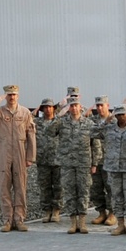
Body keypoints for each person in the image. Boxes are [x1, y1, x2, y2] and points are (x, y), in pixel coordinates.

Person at [0, 85, 37, 232]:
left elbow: (31, 135)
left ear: (18, 95)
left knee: (20, 188)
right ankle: (7, 220)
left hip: (19, 153)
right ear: (5, 96)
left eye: (14, 94)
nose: (12, 97)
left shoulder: (24, 112)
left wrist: (30, 156)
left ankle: (19, 219)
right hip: (3, 152)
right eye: (9, 95)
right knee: (4, 187)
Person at [91, 105, 126, 236]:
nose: (120, 117)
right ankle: (120, 224)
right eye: (118, 115)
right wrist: (106, 121)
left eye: (123, 114)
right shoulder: (109, 129)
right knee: (116, 196)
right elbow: (92, 132)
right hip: (113, 168)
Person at [48, 96, 95, 234]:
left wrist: (95, 163)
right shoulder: (62, 123)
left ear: (81, 107)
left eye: (76, 105)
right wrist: (58, 115)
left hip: (83, 163)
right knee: (69, 192)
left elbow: (96, 144)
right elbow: (49, 132)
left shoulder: (88, 123)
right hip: (67, 163)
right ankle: (73, 222)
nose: (74, 108)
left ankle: (82, 221)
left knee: (83, 192)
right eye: (71, 106)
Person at [88, 96, 116, 227]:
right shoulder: (93, 121)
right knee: (96, 189)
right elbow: (91, 136)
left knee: (111, 187)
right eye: (97, 106)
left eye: (102, 105)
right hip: (96, 160)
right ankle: (101, 212)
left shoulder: (115, 121)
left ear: (107, 105)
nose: (99, 108)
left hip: (110, 160)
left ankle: (112, 213)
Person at [34, 98, 62, 223]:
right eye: (45, 107)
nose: (48, 109)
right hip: (42, 160)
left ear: (54, 109)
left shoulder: (60, 122)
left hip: (57, 160)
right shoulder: (37, 123)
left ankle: (56, 210)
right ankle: (47, 210)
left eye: (50, 107)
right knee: (44, 186)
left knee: (58, 186)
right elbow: (25, 118)